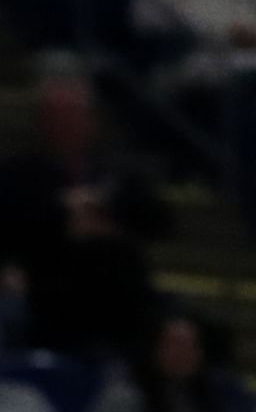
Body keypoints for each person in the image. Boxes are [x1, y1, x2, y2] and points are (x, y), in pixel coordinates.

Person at [0, 59, 168, 357]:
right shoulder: (20, 172)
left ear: (92, 119)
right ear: (42, 122)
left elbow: (158, 219)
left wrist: (106, 213)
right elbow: (14, 226)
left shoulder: (118, 171)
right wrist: (63, 215)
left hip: (120, 288)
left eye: (74, 115)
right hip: (51, 284)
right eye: (57, 117)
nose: (67, 126)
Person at [88, 314, 243, 412]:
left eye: (191, 345)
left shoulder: (213, 399)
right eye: (174, 344)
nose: (183, 353)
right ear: (154, 348)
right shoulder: (125, 399)